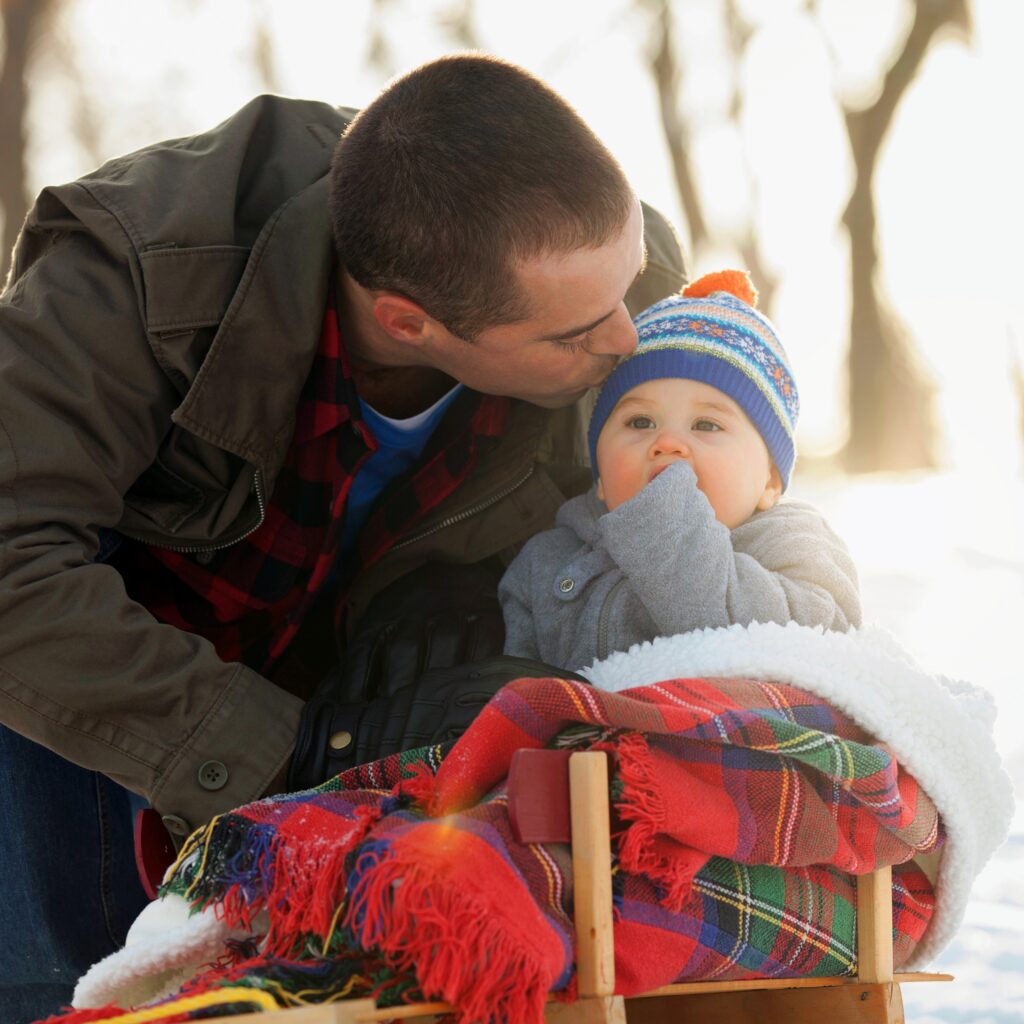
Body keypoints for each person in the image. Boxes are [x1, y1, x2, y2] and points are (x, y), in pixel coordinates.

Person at [0, 54, 686, 1018]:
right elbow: (9, 569)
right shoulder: (134, 274)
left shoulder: (605, 278)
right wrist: (278, 749)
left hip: (358, 670)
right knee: (73, 976)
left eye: (626, 286)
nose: (627, 339)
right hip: (119, 689)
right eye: (575, 334)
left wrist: (467, 589)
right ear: (409, 322)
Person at [499, 270, 861, 671]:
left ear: (770, 482)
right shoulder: (548, 559)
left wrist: (669, 529)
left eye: (706, 425)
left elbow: (815, 652)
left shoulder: (797, 548)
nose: (667, 442)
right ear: (600, 476)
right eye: (640, 422)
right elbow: (514, 694)